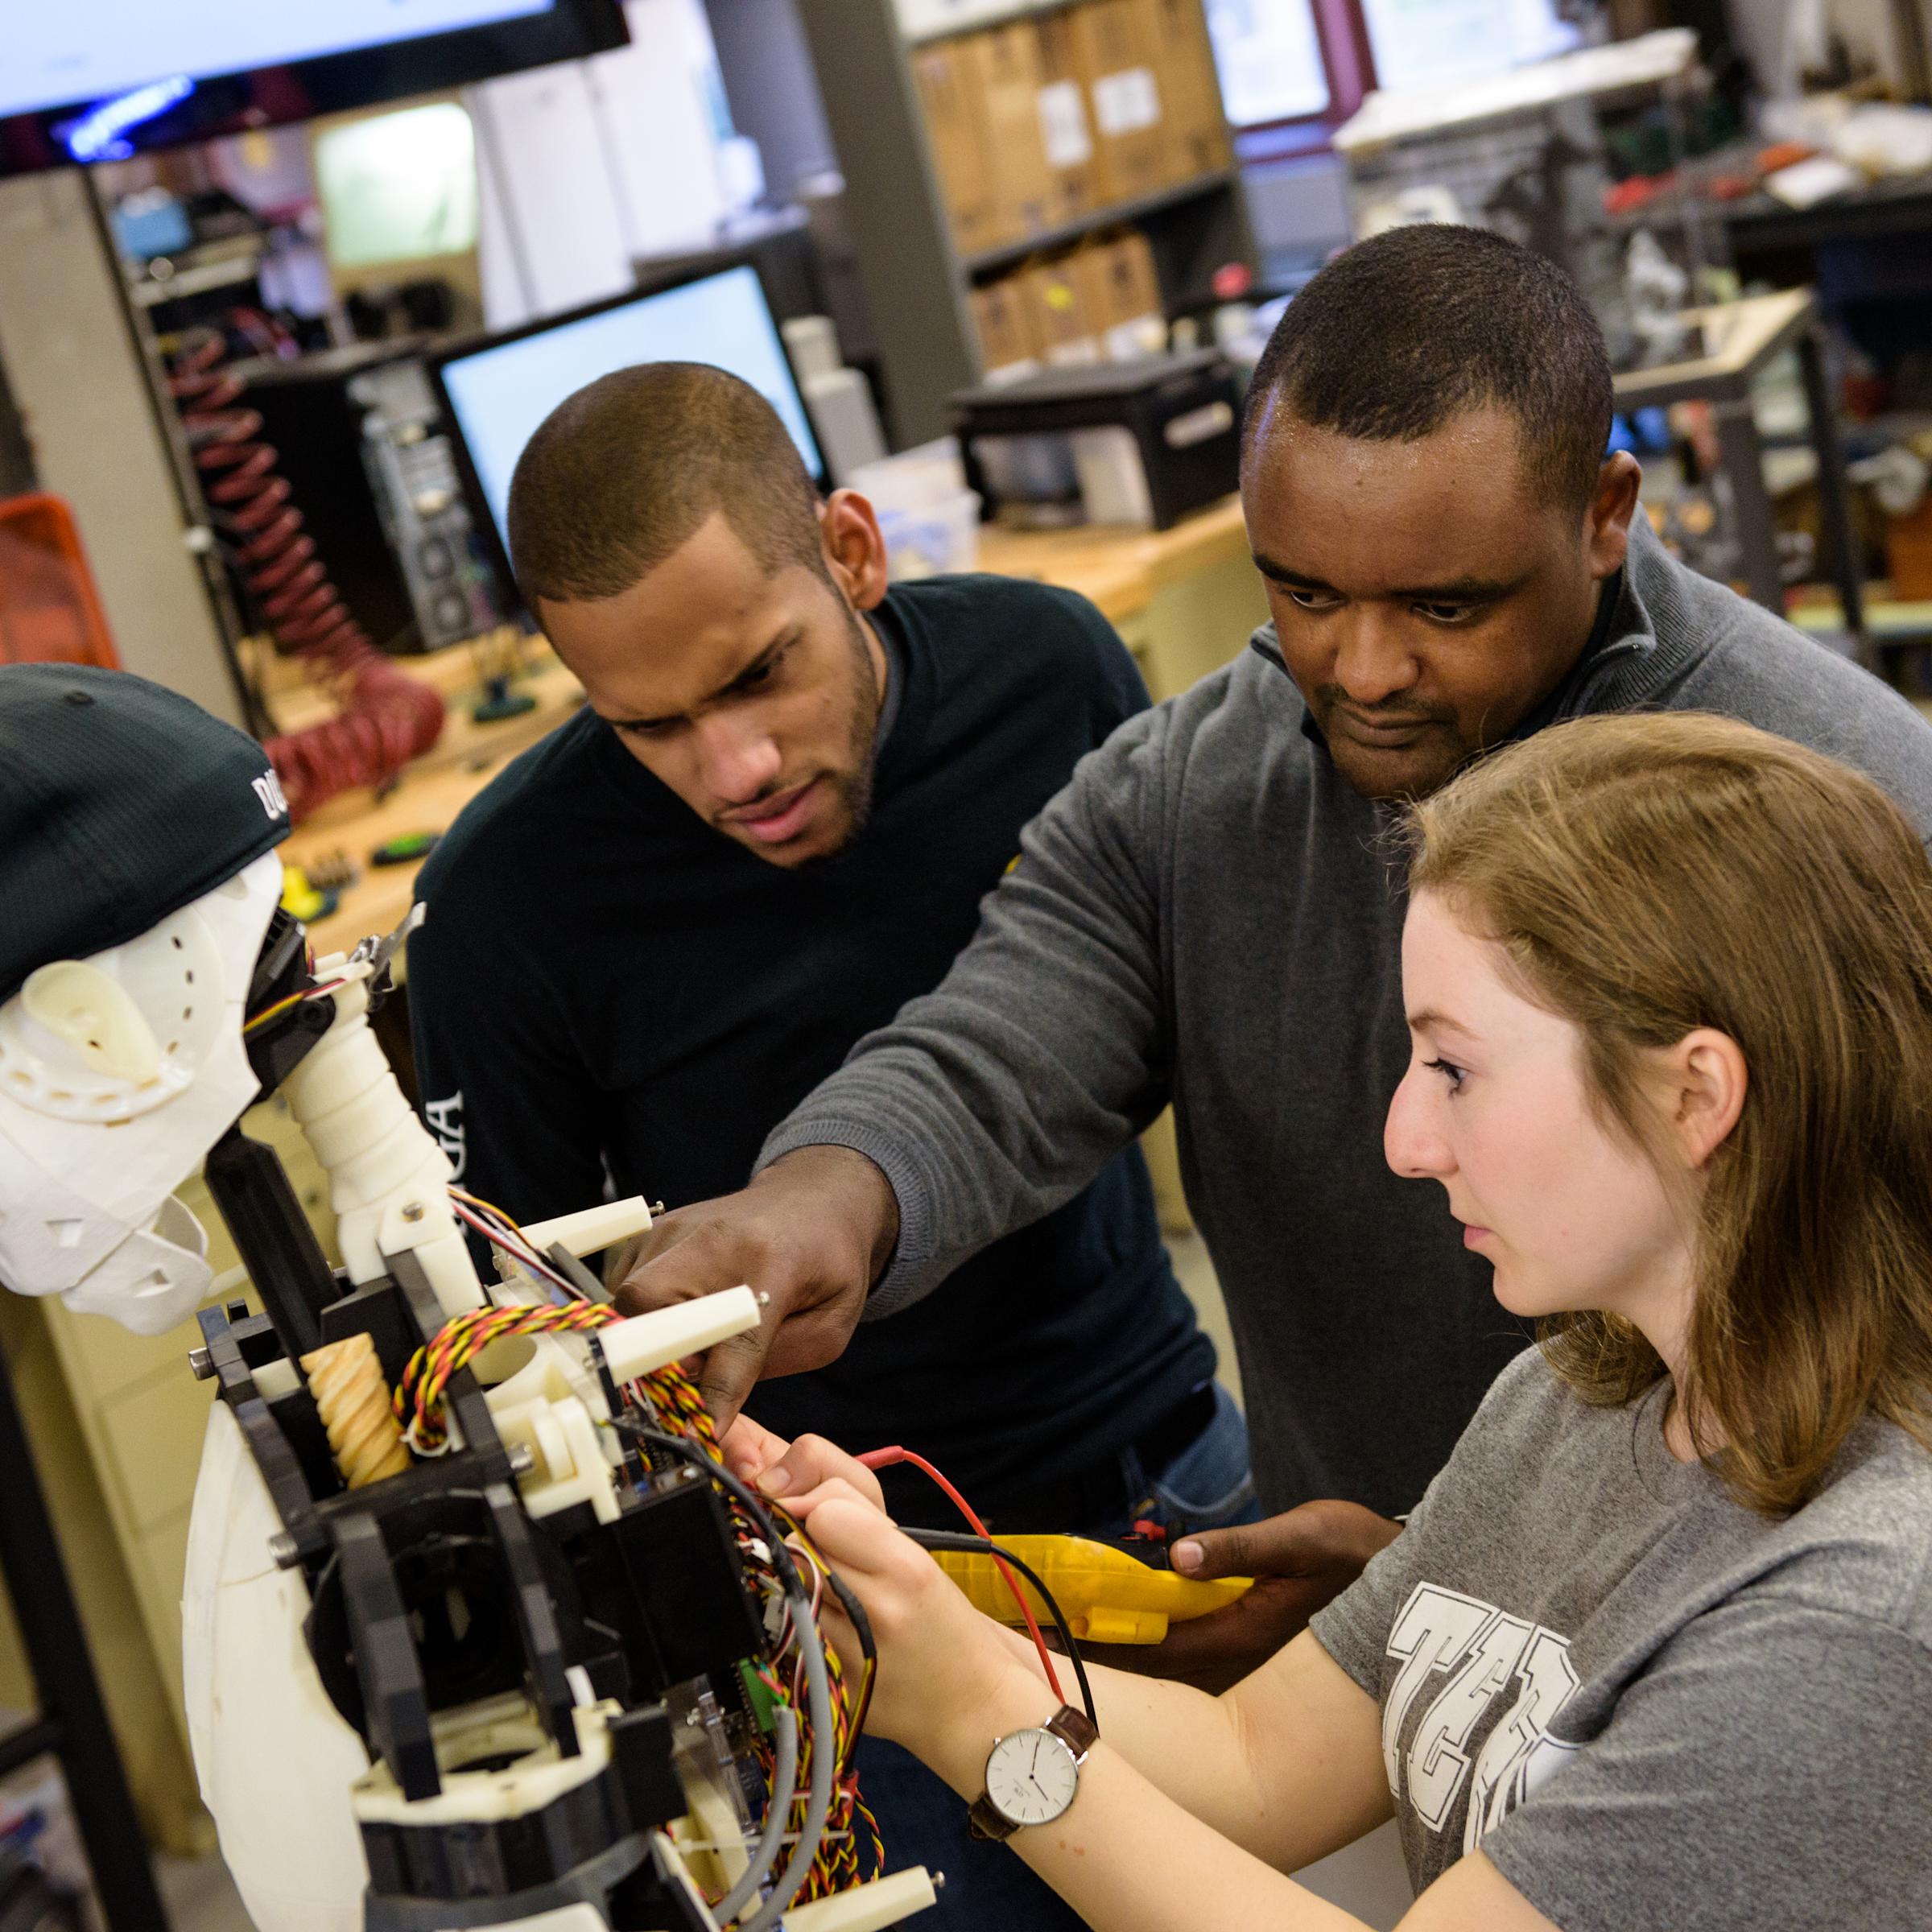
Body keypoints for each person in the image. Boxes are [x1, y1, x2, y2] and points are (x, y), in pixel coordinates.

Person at [614, 224, 1932, 1687]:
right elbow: (1002, 1044)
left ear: (1605, 510)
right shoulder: (1195, 791)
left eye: (1445, 607)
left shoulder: (1846, 808)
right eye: (1303, 592)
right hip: (1388, 1645)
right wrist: (818, 1205)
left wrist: (1500, 1584)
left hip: (1772, 1674)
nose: (1363, 669)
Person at [724, 712, 1932, 1931]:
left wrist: (973, 1722)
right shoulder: (1574, 1401)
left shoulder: (1862, 1612)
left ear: (1695, 1095)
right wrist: (903, 1620)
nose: (1406, 1140)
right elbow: (1254, 1758)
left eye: (1454, 1068)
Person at [406, 362, 1250, 1931]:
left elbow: (1158, 1024)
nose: (735, 770)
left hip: (1163, 1483)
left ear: (853, 553)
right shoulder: (507, 906)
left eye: (760, 676)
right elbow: (523, 1338)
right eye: (647, 726)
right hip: (843, 1603)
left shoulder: (1045, 677)